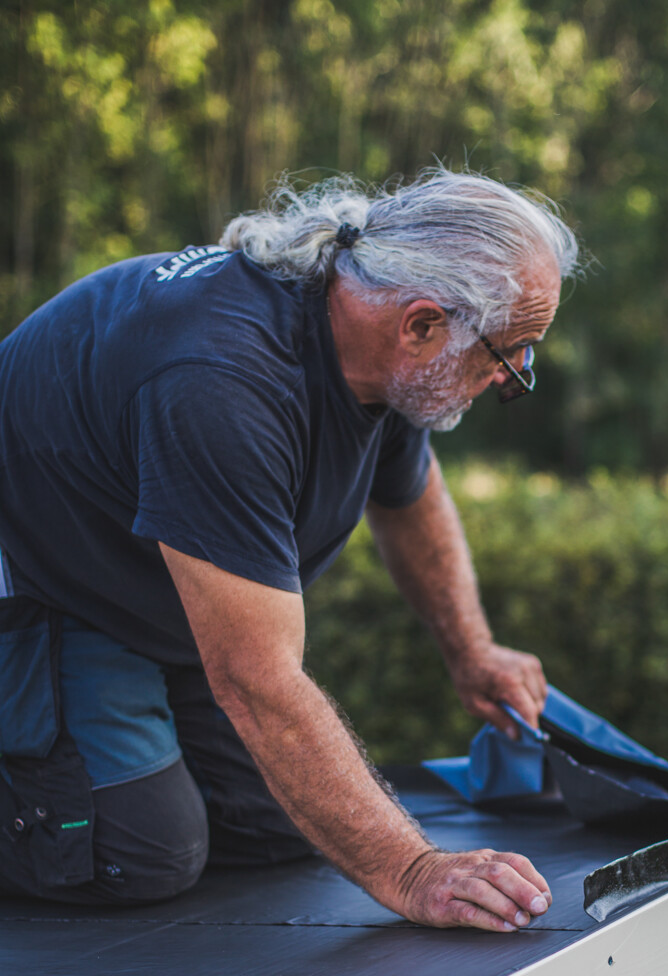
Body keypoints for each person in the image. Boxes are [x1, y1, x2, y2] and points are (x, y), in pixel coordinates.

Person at [0, 168, 581, 930]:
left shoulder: (388, 349)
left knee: (277, 826)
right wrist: (410, 872)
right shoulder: (222, 381)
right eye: (509, 359)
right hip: (45, 585)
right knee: (139, 852)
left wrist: (472, 649)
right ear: (422, 325)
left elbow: (411, 500)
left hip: (139, 585)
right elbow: (252, 678)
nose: (508, 379)